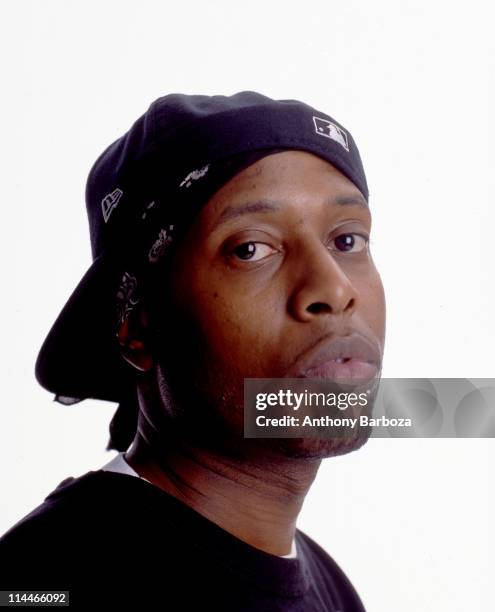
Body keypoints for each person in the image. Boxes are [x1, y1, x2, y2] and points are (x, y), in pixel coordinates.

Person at [0, 91, 385, 610]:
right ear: (138, 327)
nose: (335, 288)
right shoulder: (47, 580)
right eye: (250, 249)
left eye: (347, 241)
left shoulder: (330, 589)